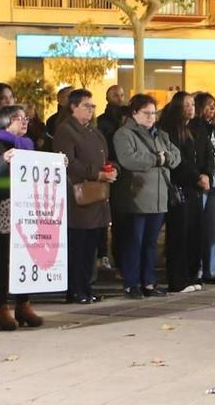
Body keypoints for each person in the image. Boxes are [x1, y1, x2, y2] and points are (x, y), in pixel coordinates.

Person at [0, 104, 43, 329]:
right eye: (18, 118)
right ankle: (1, 307)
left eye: (26, 118)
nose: (25, 121)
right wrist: (3, 160)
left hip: (27, 206)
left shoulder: (28, 145)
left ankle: (23, 304)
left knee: (26, 256)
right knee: (4, 259)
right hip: (4, 207)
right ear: (5, 122)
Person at [112, 94, 179, 298]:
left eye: (153, 113)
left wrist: (165, 158)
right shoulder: (124, 134)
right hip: (136, 197)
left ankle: (149, 282)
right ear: (134, 113)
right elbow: (129, 159)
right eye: (146, 113)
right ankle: (131, 283)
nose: (151, 117)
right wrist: (157, 159)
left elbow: (176, 156)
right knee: (134, 242)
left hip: (159, 197)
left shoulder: (161, 135)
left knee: (151, 243)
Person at [54, 89, 114, 304]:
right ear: (73, 107)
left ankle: (86, 287)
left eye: (92, 106)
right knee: (77, 247)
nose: (91, 110)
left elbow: (104, 156)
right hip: (78, 197)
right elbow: (68, 162)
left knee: (90, 247)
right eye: (86, 106)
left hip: (97, 195)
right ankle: (75, 289)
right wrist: (95, 173)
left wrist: (110, 169)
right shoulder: (66, 131)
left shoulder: (93, 131)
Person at [160, 91, 207, 293]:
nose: (191, 108)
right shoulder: (170, 130)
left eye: (192, 104)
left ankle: (192, 274)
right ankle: (178, 279)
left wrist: (204, 174)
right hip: (179, 187)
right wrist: (196, 176)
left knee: (194, 233)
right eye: (186, 105)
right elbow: (178, 161)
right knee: (179, 234)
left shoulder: (195, 129)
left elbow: (201, 155)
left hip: (194, 187)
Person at [192, 92, 215, 284]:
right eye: (208, 105)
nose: (212, 109)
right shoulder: (194, 128)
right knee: (199, 226)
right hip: (201, 178)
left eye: (214, 105)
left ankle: (213, 269)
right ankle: (197, 268)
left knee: (214, 227)